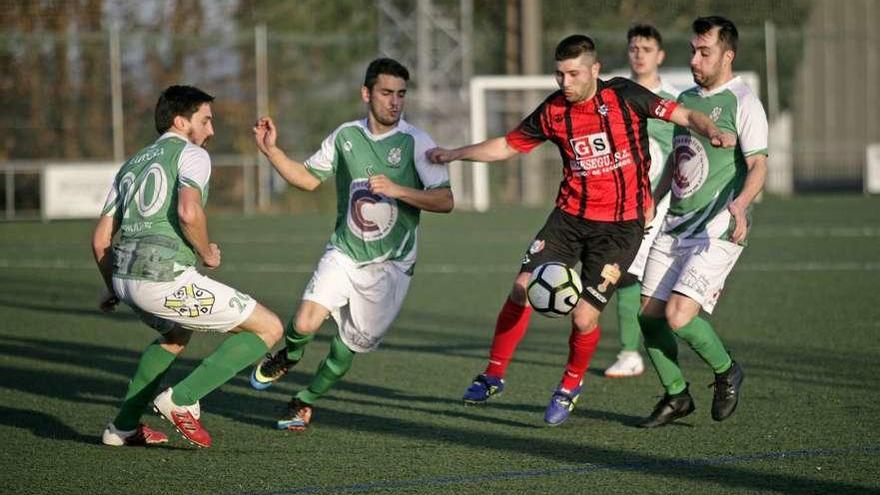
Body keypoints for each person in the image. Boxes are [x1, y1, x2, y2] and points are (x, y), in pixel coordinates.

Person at [427, 35, 735, 426]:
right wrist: (455, 154)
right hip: (568, 219)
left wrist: (711, 131)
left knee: (584, 318)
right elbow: (506, 146)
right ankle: (493, 374)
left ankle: (569, 386)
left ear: (594, 70)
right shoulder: (554, 111)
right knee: (521, 286)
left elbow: (686, 116)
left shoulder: (626, 96)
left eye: (573, 74)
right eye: (559, 74)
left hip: (621, 229)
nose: (565, 82)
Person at [249, 58, 454, 431]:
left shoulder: (416, 142)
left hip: (391, 266)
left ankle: (304, 401)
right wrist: (272, 152)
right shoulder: (345, 136)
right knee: (304, 321)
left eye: (401, 94)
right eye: (386, 93)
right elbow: (308, 179)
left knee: (345, 350)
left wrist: (397, 190)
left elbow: (445, 201)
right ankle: (290, 355)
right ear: (366, 93)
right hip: (344, 251)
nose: (395, 102)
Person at [93, 85, 284, 448]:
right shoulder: (191, 154)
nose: (211, 130)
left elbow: (100, 240)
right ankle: (181, 400)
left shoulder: (132, 164)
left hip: (125, 279)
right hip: (162, 280)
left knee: (175, 335)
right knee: (268, 329)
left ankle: (122, 428)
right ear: (181, 122)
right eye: (205, 120)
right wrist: (207, 253)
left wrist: (111, 287)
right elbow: (188, 211)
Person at [637, 16, 768, 428]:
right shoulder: (686, 99)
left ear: (727, 55)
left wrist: (742, 204)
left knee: (679, 316)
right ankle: (677, 395)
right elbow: (678, 157)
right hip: (674, 225)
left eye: (704, 51)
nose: (695, 58)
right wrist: (653, 200)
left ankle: (727, 370)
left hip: (716, 229)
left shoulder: (743, 101)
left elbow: (759, 165)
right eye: (693, 50)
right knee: (649, 316)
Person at [605, 24, 680, 379]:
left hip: (659, 202)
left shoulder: (672, 101)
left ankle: (635, 351)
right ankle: (633, 352)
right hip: (623, 201)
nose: (639, 54)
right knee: (627, 274)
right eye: (633, 47)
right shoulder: (616, 95)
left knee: (631, 274)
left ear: (659, 55)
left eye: (646, 48)